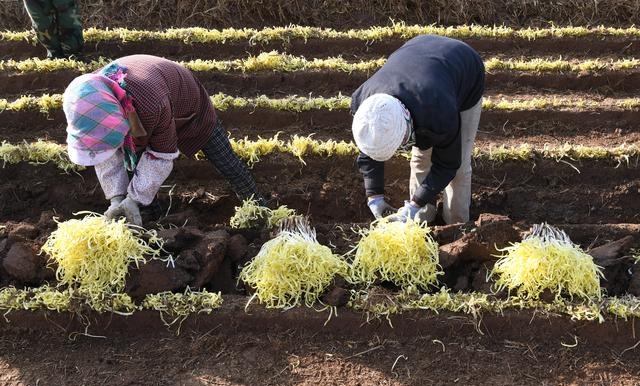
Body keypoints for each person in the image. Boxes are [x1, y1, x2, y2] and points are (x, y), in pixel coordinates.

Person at [63, 54, 264, 226]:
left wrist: (133, 197)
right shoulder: (88, 99)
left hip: (187, 103)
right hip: (149, 104)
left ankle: (260, 210)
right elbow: (102, 151)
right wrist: (117, 198)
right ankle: (152, 220)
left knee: (225, 161)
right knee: (136, 168)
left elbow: (161, 156)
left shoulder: (151, 105)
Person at [351, 35, 485, 225]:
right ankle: (421, 220)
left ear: (407, 126)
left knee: (460, 168)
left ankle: (456, 225)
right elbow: (369, 150)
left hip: (465, 71)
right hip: (418, 60)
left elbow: (448, 164)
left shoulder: (440, 111)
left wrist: (413, 204)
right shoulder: (365, 106)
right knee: (421, 158)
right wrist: (374, 196)